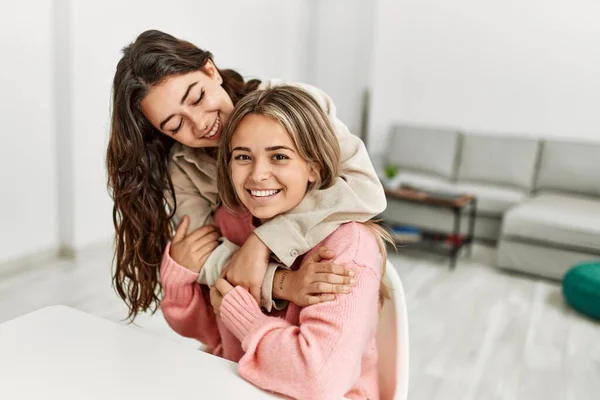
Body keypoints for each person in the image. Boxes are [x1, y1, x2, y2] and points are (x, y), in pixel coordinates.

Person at [106, 29, 386, 320]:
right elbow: (203, 256)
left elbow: (364, 187)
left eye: (198, 97)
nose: (200, 124)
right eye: (176, 125)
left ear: (210, 70)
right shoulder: (183, 168)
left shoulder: (295, 106)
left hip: (335, 285)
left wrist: (265, 240)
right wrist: (281, 282)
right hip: (249, 319)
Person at [160, 85, 393, 399]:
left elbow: (318, 381)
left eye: (279, 156)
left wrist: (239, 311)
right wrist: (180, 277)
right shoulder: (231, 225)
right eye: (243, 157)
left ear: (313, 167)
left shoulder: (347, 245)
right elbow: (208, 332)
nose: (258, 175)